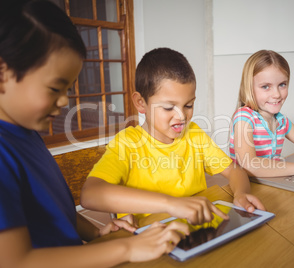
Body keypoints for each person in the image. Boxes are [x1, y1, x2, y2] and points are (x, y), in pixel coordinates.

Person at [0, 1, 189, 267]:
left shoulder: (27, 134)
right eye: (55, 88)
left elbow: (54, 211)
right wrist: (127, 249)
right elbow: (16, 261)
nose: (65, 101)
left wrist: (97, 232)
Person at [80, 47, 265, 225]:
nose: (181, 116)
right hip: (153, 234)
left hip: (197, 226)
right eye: (169, 107)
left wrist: (241, 193)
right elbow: (90, 194)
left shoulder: (194, 134)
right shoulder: (127, 144)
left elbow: (234, 170)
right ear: (140, 103)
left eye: (189, 105)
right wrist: (171, 204)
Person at [229, 50, 294, 178]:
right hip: (248, 185)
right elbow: (250, 164)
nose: (277, 94)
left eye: (282, 85)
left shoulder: (281, 121)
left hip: (272, 180)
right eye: (265, 86)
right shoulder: (244, 118)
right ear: (249, 88)